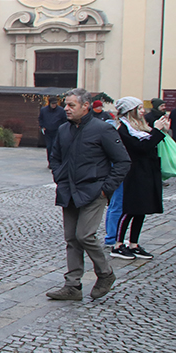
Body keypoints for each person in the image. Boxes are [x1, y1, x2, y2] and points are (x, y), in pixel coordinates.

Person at [46, 88, 130, 301]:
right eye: (66, 104)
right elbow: (54, 157)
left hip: (94, 191)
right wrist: (59, 176)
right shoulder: (64, 129)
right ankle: (72, 285)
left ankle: (105, 273)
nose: (66, 108)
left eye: (71, 105)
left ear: (86, 106)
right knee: (72, 239)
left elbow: (123, 161)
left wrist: (106, 188)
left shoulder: (103, 129)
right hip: (69, 191)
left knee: (85, 235)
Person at [109, 97, 168, 261]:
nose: (143, 111)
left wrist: (160, 130)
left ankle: (134, 244)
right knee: (130, 209)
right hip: (134, 173)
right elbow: (142, 147)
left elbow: (150, 144)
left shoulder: (140, 127)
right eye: (139, 108)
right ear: (131, 111)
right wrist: (157, 131)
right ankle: (118, 244)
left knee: (141, 209)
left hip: (147, 172)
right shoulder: (123, 129)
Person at [39, 96, 67, 169]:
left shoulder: (61, 110)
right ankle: (50, 162)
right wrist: (42, 126)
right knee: (49, 147)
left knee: (55, 146)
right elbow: (40, 119)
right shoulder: (44, 110)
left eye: (55, 103)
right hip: (47, 131)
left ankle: (56, 161)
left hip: (57, 131)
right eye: (52, 104)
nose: (54, 105)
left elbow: (64, 120)